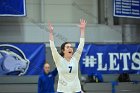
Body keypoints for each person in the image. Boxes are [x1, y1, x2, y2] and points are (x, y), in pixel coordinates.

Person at [48, 19, 86, 93]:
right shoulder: (59, 60)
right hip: (62, 91)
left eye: (71, 47)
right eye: (67, 47)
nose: (70, 48)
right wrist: (51, 32)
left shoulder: (75, 58)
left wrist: (82, 30)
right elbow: (52, 47)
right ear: (63, 50)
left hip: (76, 90)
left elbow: (81, 44)